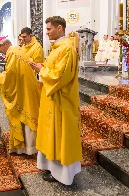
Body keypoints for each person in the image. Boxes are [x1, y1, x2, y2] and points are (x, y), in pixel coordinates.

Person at [29, 16, 82, 185]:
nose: (47, 33)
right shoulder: (57, 48)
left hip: (61, 101)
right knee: (51, 134)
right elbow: (53, 71)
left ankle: (62, 174)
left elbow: (60, 76)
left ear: (60, 28)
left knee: (60, 136)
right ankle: (52, 168)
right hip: (52, 99)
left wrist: (41, 70)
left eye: (49, 29)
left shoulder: (66, 49)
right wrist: (42, 69)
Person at [0, 37, 40, 155]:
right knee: (28, 114)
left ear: (3, 45)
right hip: (26, 87)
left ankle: (27, 148)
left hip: (21, 90)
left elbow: (10, 75)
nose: (0, 52)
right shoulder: (18, 49)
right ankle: (29, 146)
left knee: (23, 116)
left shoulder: (12, 52)